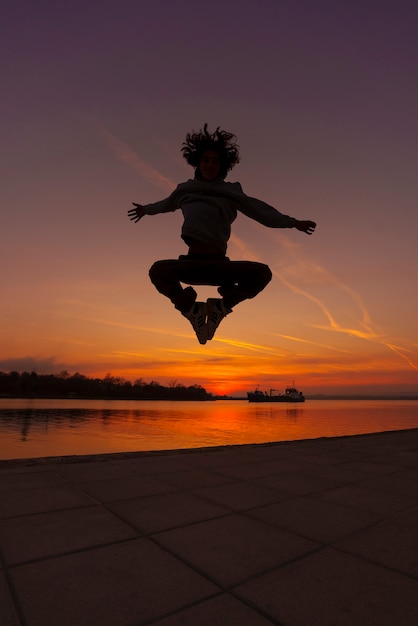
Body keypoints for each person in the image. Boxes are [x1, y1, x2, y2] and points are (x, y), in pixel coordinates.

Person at [128, 124, 316, 345]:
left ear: (222, 165)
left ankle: (221, 307)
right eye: (205, 160)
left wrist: (293, 223)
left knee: (262, 273)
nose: (209, 164)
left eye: (214, 161)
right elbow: (165, 204)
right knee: (157, 270)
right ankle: (192, 309)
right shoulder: (184, 191)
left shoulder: (231, 192)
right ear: (198, 163)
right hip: (191, 264)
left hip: (220, 267)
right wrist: (145, 210)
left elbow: (261, 211)